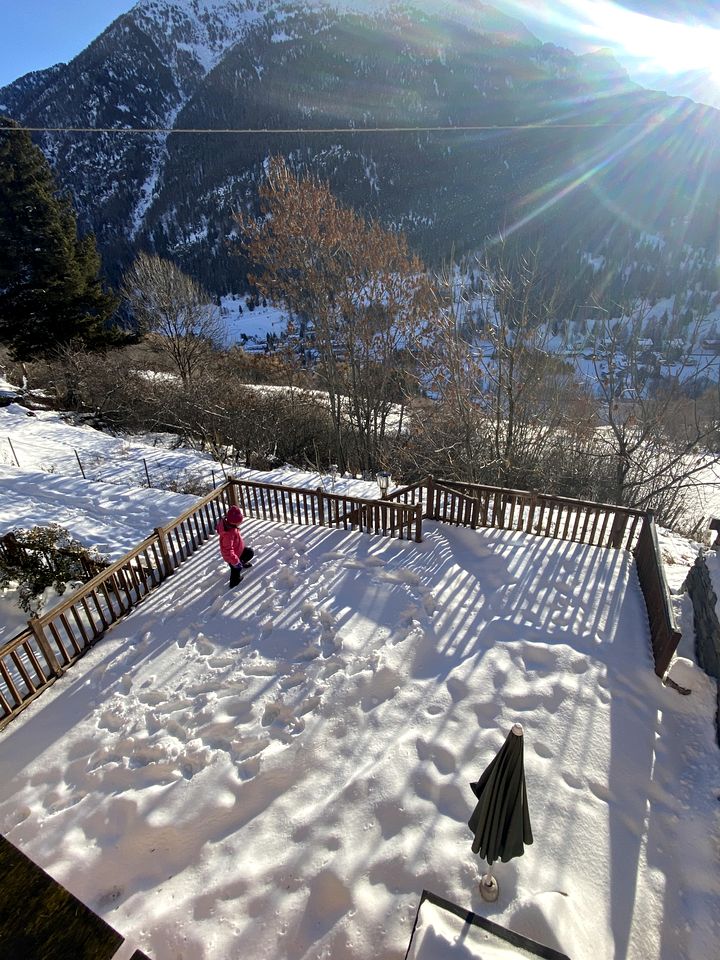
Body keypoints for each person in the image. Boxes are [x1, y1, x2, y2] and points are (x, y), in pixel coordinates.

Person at [216, 505, 254, 587]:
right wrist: (235, 562)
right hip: (232, 557)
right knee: (236, 569)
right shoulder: (228, 534)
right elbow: (228, 550)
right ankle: (234, 581)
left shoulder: (231, 526)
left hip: (238, 551)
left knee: (249, 552)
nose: (240, 522)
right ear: (234, 522)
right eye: (239, 521)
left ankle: (242, 562)